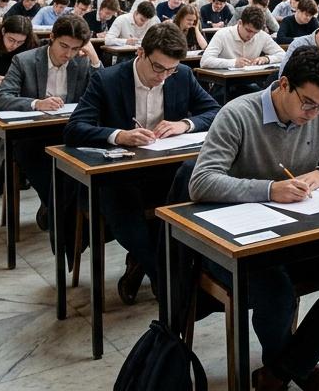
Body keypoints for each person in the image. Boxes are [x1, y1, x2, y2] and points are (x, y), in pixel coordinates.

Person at [189, 48, 319, 391]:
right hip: (236, 243)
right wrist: (268, 189)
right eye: (307, 103)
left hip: (293, 233)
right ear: (283, 85)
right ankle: (292, 366)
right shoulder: (238, 114)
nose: (313, 113)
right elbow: (201, 181)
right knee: (277, 294)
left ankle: (283, 370)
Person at [64, 23, 219, 302]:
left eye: (170, 70)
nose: (163, 77)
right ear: (140, 53)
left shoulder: (181, 75)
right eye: (158, 68)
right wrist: (119, 135)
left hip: (164, 170)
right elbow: (75, 129)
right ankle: (167, 281)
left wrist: (185, 124)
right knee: (124, 201)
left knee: (190, 192)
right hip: (117, 174)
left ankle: (142, 260)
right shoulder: (108, 80)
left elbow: (213, 111)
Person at [0, 14, 100, 235]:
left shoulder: (80, 62)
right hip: (28, 136)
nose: (67, 54)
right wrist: (36, 103)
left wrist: (96, 61)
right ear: (51, 37)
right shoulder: (24, 60)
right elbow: (1, 97)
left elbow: (104, 94)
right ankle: (59, 212)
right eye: (63, 46)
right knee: (40, 157)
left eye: (74, 48)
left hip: (67, 132)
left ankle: (60, 211)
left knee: (87, 159)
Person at [201, 4, 285, 69]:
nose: (251, 35)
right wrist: (234, 63)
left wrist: (266, 59)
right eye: (248, 30)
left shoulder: (262, 36)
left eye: (255, 33)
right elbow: (205, 61)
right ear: (240, 23)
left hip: (250, 79)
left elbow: (283, 55)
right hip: (225, 83)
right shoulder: (222, 34)